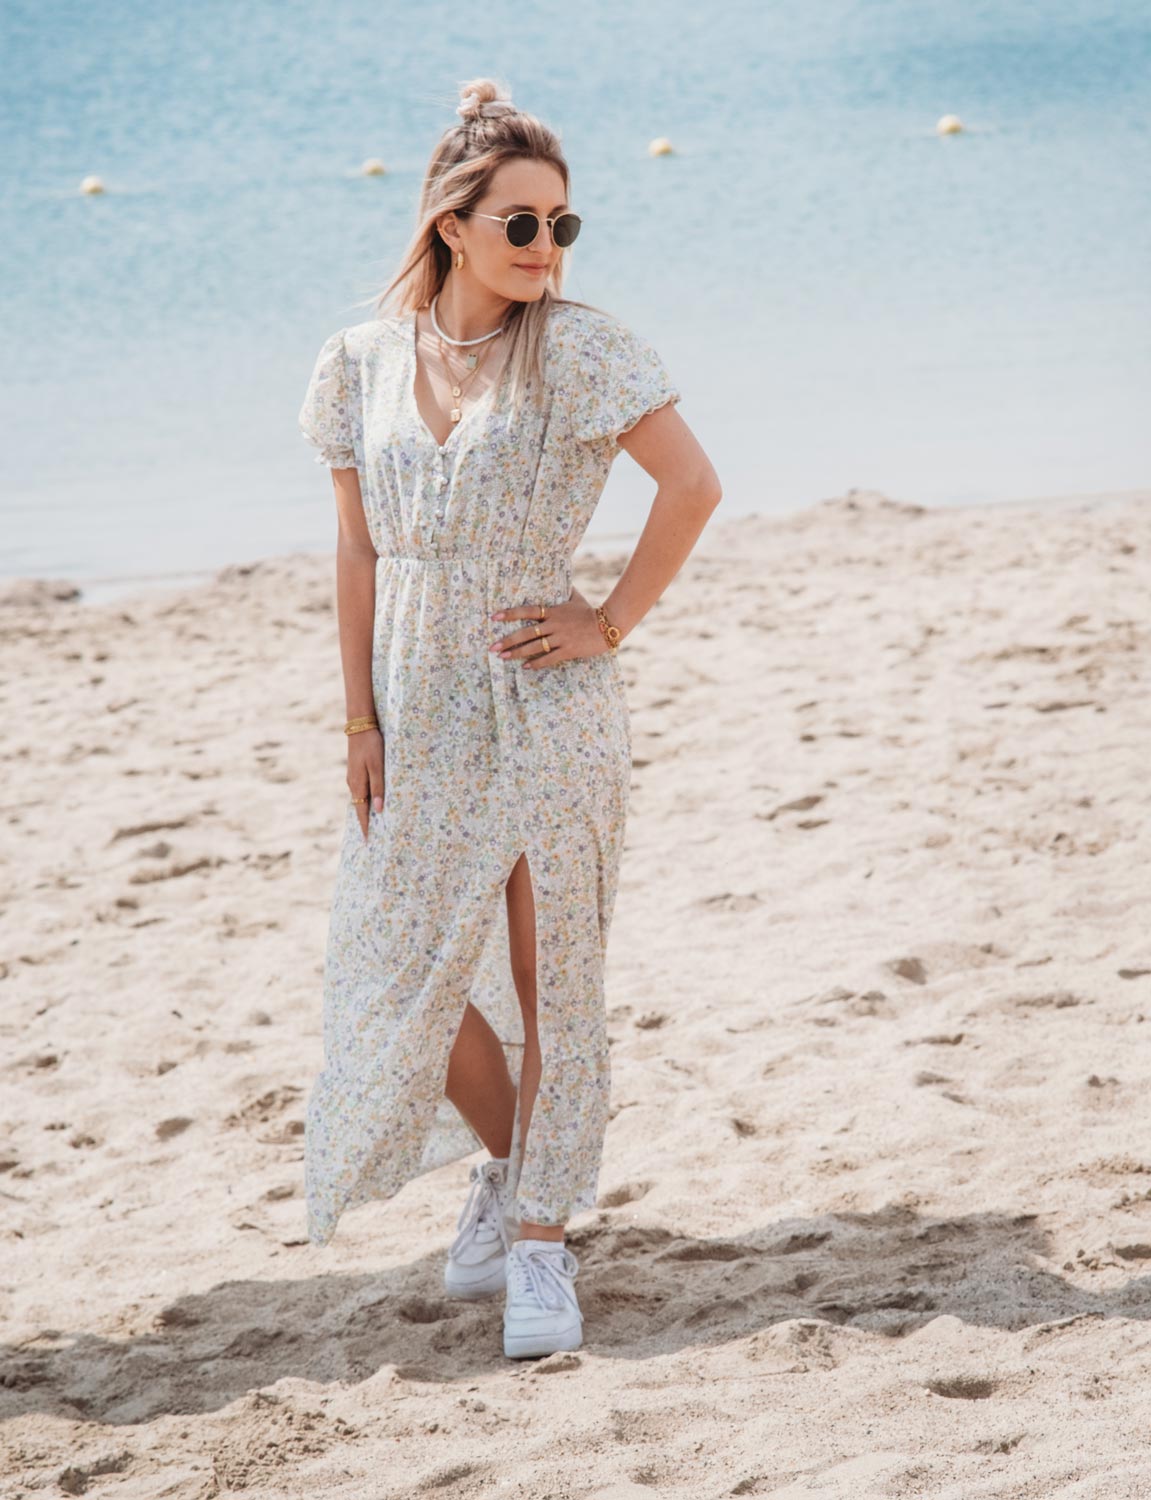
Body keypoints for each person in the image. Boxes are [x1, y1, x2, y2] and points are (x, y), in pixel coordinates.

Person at [297, 76, 722, 1359]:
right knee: (392, 971)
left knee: (554, 979)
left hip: (546, 696)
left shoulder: (585, 348)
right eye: (522, 223)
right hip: (416, 705)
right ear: (451, 223)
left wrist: (608, 621)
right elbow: (357, 552)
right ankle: (510, 1163)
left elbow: (694, 488)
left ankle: (542, 1241)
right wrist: (356, 718)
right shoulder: (358, 359)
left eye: (563, 224)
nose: (547, 247)